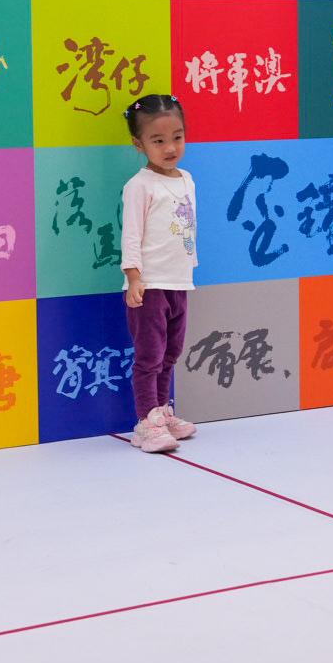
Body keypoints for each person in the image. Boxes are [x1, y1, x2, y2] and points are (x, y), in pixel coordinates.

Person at [121, 94, 200, 455]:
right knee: (149, 356)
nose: (170, 147)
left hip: (178, 282)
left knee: (171, 353)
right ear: (139, 145)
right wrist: (134, 277)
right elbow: (132, 235)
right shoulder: (140, 186)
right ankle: (145, 421)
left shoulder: (186, 179)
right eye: (158, 140)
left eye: (177, 137)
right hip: (150, 286)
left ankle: (163, 412)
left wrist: (187, 268)